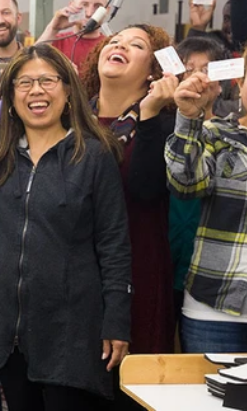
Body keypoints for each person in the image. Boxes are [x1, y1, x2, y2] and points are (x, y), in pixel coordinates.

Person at [0, 21, 131, 409]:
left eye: (48, 81)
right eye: (24, 83)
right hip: (10, 331)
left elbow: (114, 244)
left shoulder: (93, 156)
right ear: (12, 96)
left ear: (68, 91)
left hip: (71, 330)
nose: (36, 91)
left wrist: (117, 319)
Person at [79, 25, 176, 357]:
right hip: (75, 271)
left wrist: (148, 115)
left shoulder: (162, 126)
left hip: (139, 268)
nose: (120, 46)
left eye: (137, 45)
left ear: (154, 72)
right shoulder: (73, 121)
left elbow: (145, 190)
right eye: (115, 41)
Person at [167, 39, 247, 351]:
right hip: (213, 309)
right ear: (240, 84)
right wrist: (189, 117)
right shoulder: (216, 133)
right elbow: (186, 184)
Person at [36, 0, 110, 69]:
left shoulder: (110, 46)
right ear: (71, 5)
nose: (89, 13)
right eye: (84, 4)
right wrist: (52, 29)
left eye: (97, 6)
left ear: (107, 11)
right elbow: (29, 62)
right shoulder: (55, 42)